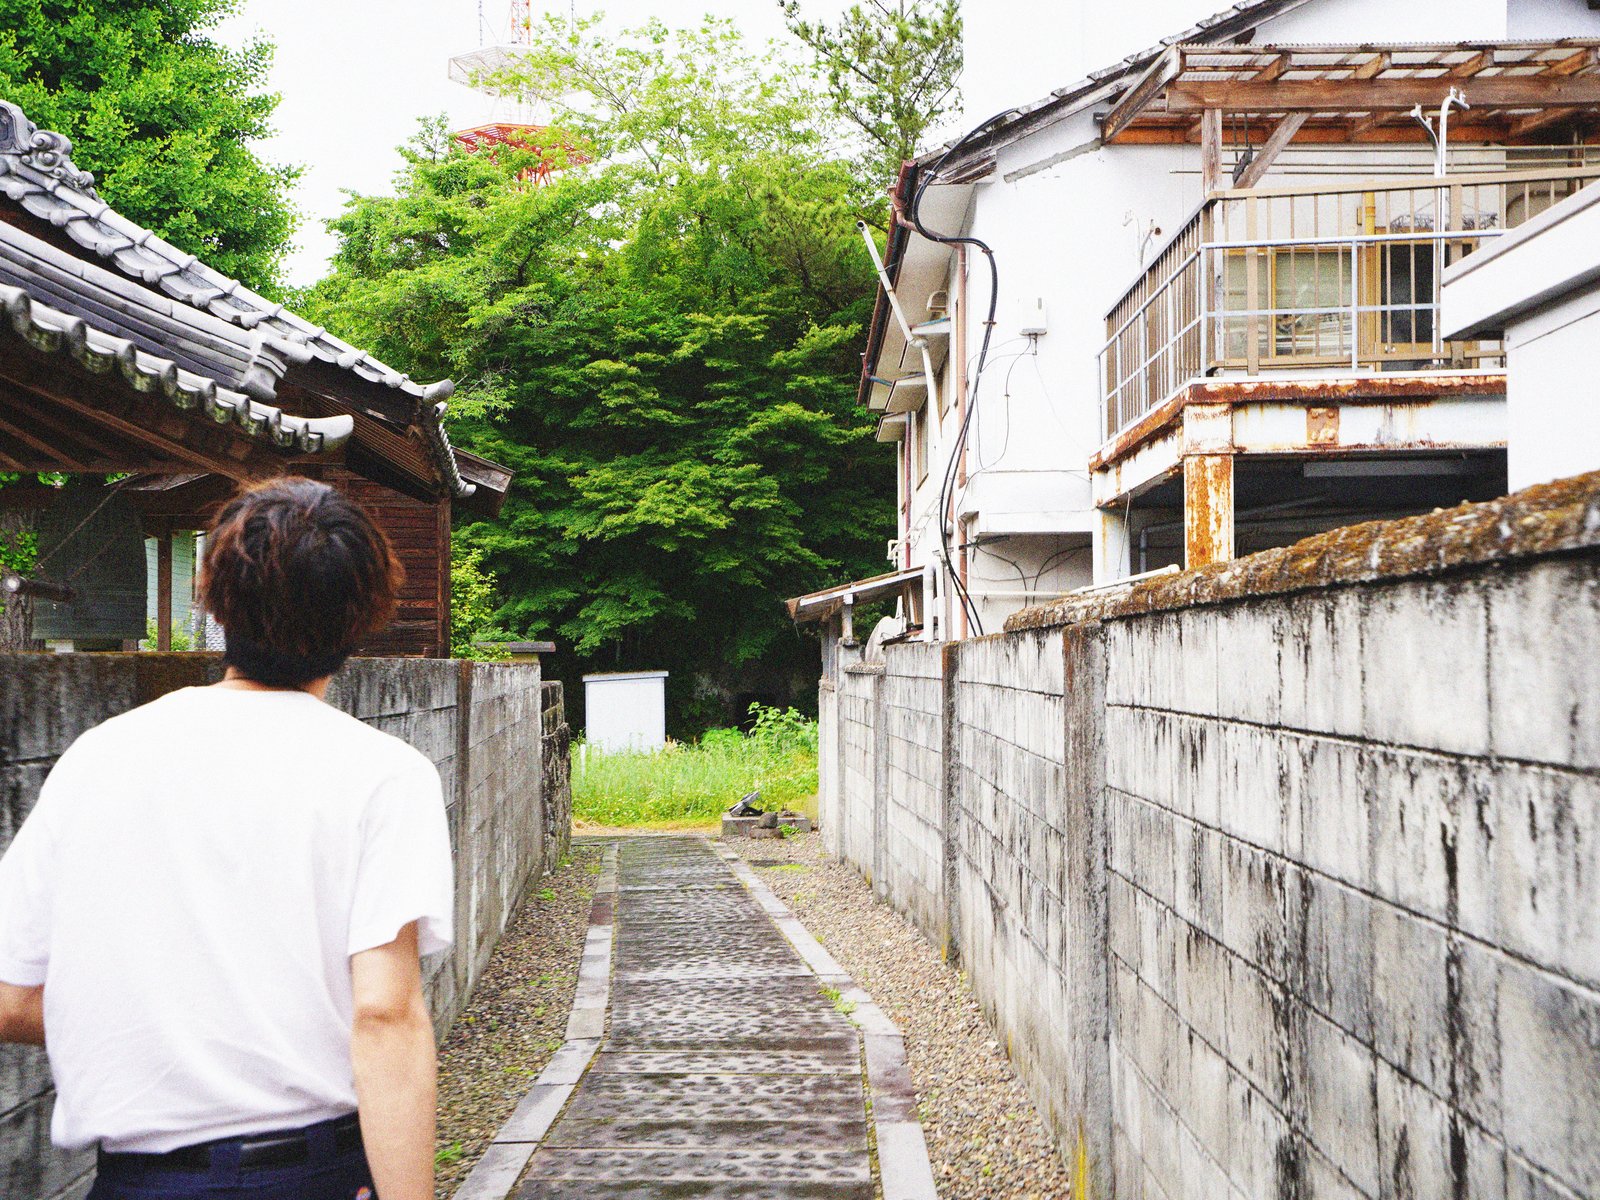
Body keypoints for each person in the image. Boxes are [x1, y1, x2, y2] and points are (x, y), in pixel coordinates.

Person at [0, 477, 452, 1200]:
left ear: (212, 599)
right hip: (304, 1174)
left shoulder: (99, 756)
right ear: (362, 613)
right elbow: (385, 1014)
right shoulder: (384, 775)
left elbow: (9, 994)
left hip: (132, 1181)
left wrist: (159, 1016)